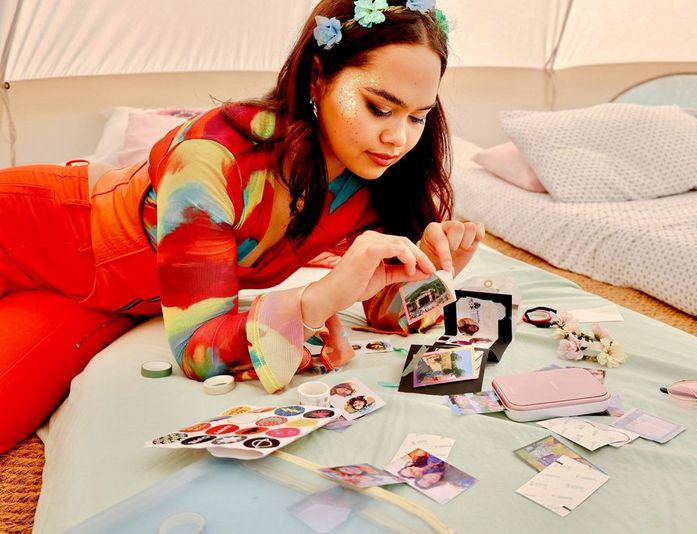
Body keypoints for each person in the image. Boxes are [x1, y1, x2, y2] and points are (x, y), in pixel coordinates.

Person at [0, 0, 485, 453]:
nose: (397, 138)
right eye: (379, 107)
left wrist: (439, 272)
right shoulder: (211, 157)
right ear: (318, 79)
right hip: (30, 233)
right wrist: (314, 301)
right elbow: (198, 350)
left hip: (114, 299)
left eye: (417, 117)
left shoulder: (372, 180)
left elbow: (383, 311)